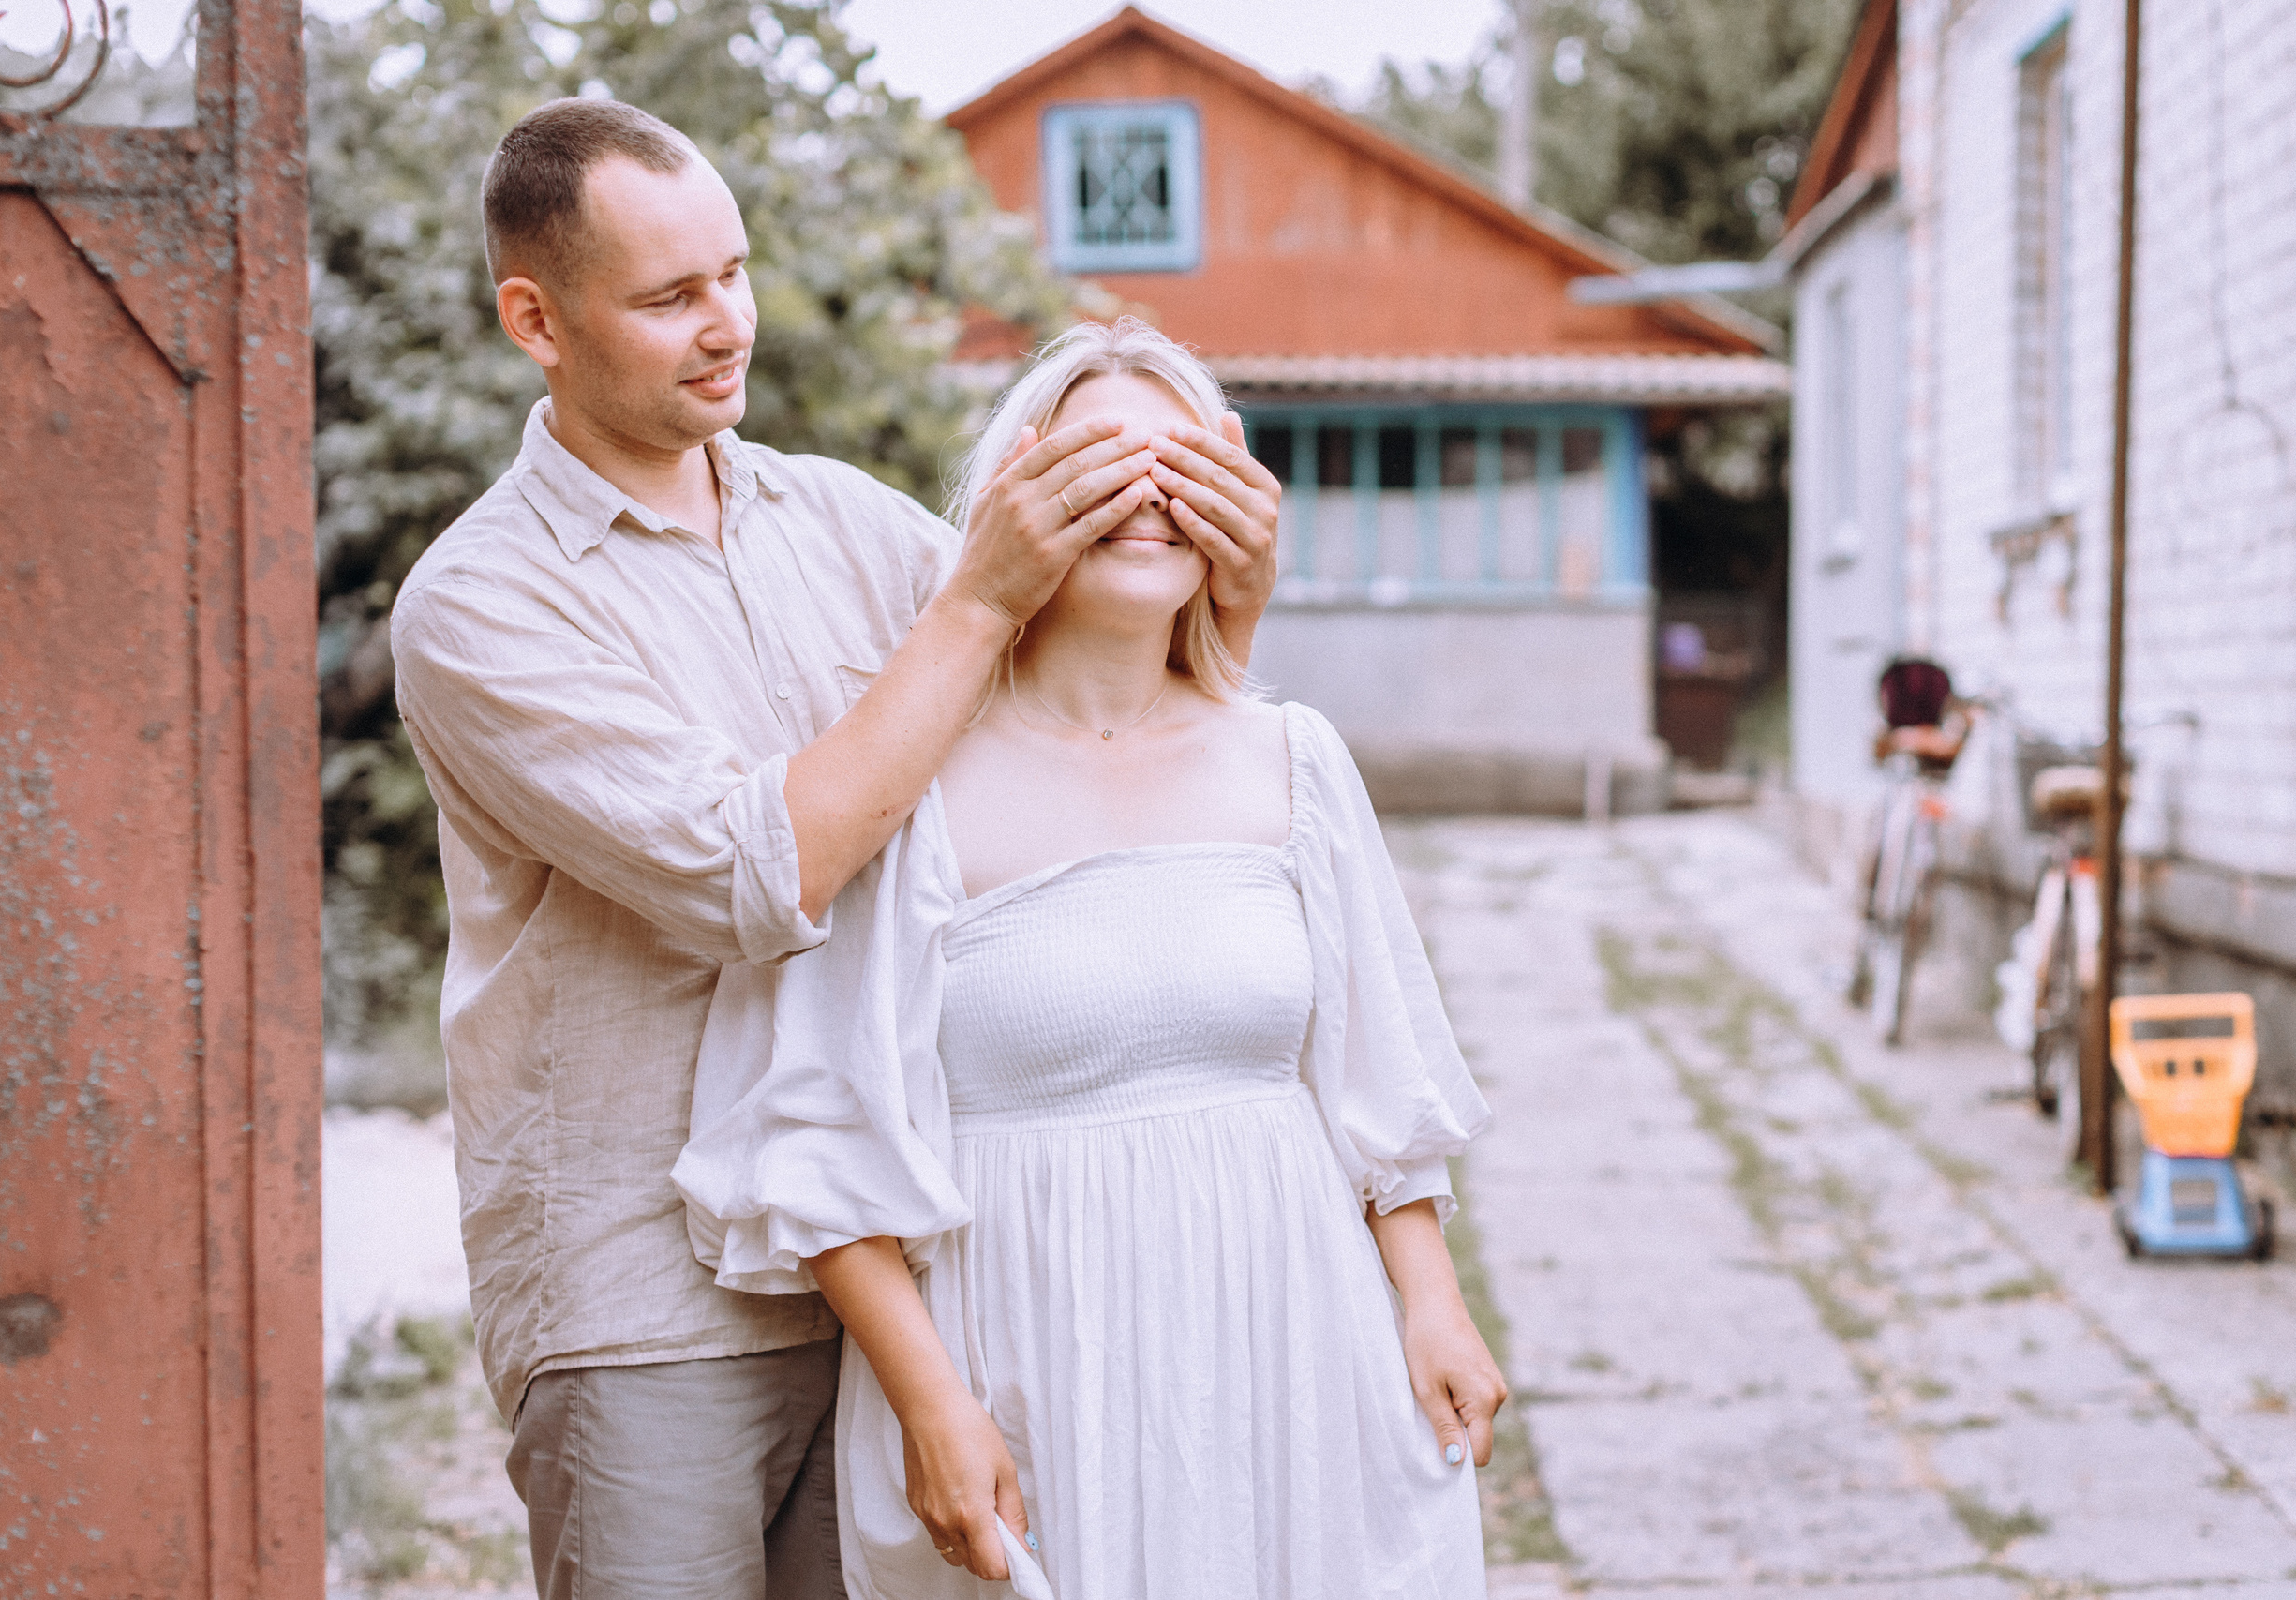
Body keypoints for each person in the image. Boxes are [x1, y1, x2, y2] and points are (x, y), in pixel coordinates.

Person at [387, 101, 1279, 1598]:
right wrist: (984, 598)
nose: (726, 324)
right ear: (533, 321)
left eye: (732, 274)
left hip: (900, 1271)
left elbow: (1069, 718)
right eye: (670, 298)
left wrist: (1219, 592)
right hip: (645, 1293)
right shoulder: (481, 607)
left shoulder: (841, 525)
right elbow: (760, 877)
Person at [674, 319, 1506, 1600]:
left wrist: (1433, 1306)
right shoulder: (910, 780)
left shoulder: (1296, 762)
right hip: (1034, 1357)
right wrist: (935, 1409)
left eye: (1184, 465)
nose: (1147, 497)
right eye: (1100, 463)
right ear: (1016, 501)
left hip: (1292, 1345)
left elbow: (1376, 1083)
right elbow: (816, 1134)